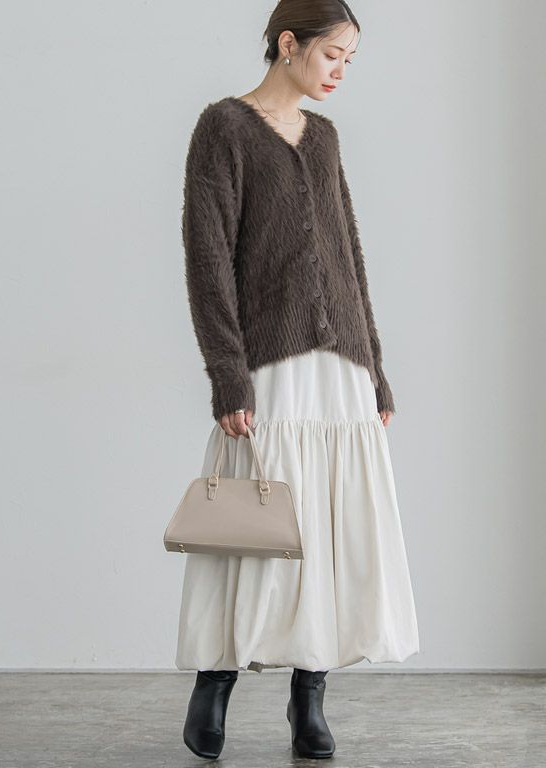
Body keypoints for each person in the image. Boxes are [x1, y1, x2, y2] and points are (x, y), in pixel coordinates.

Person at [175, 0, 420, 759]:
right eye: (333, 54)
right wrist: (227, 375)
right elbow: (208, 259)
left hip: (340, 368)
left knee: (330, 529)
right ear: (289, 43)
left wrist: (376, 370)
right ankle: (215, 679)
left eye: (351, 59)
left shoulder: (326, 138)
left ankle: (309, 695)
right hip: (268, 363)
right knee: (254, 520)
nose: (342, 70)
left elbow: (350, 258)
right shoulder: (223, 128)